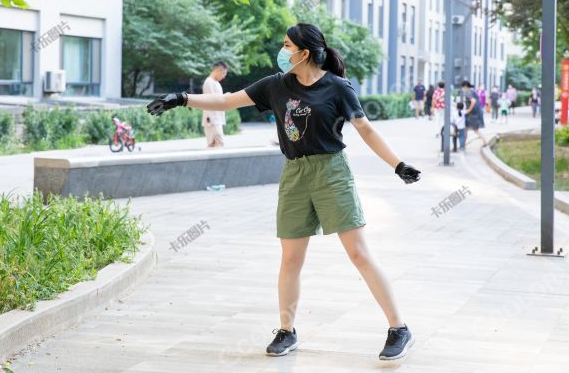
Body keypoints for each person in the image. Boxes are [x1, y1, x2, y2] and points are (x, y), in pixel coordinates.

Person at [146, 23, 421, 361]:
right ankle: (287, 330)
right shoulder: (276, 85)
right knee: (291, 258)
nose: (282, 49)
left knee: (359, 254)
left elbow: (364, 129)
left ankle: (398, 328)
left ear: (304, 52)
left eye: (287, 45)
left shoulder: (337, 88)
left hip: (331, 172)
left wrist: (398, 165)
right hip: (294, 174)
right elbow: (228, 101)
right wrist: (182, 99)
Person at [201, 61, 228, 148]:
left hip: (216, 119)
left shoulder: (215, 83)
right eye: (223, 73)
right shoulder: (209, 82)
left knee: (213, 145)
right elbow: (213, 100)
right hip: (213, 119)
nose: (224, 76)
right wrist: (225, 97)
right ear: (218, 70)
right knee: (218, 144)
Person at [461, 80, 488, 147]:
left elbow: (473, 101)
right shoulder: (473, 91)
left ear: (465, 86)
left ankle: (463, 144)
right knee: (473, 129)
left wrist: (468, 110)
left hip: (472, 114)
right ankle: (484, 141)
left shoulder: (468, 92)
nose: (462, 89)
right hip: (476, 112)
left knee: (467, 129)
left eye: (463, 87)